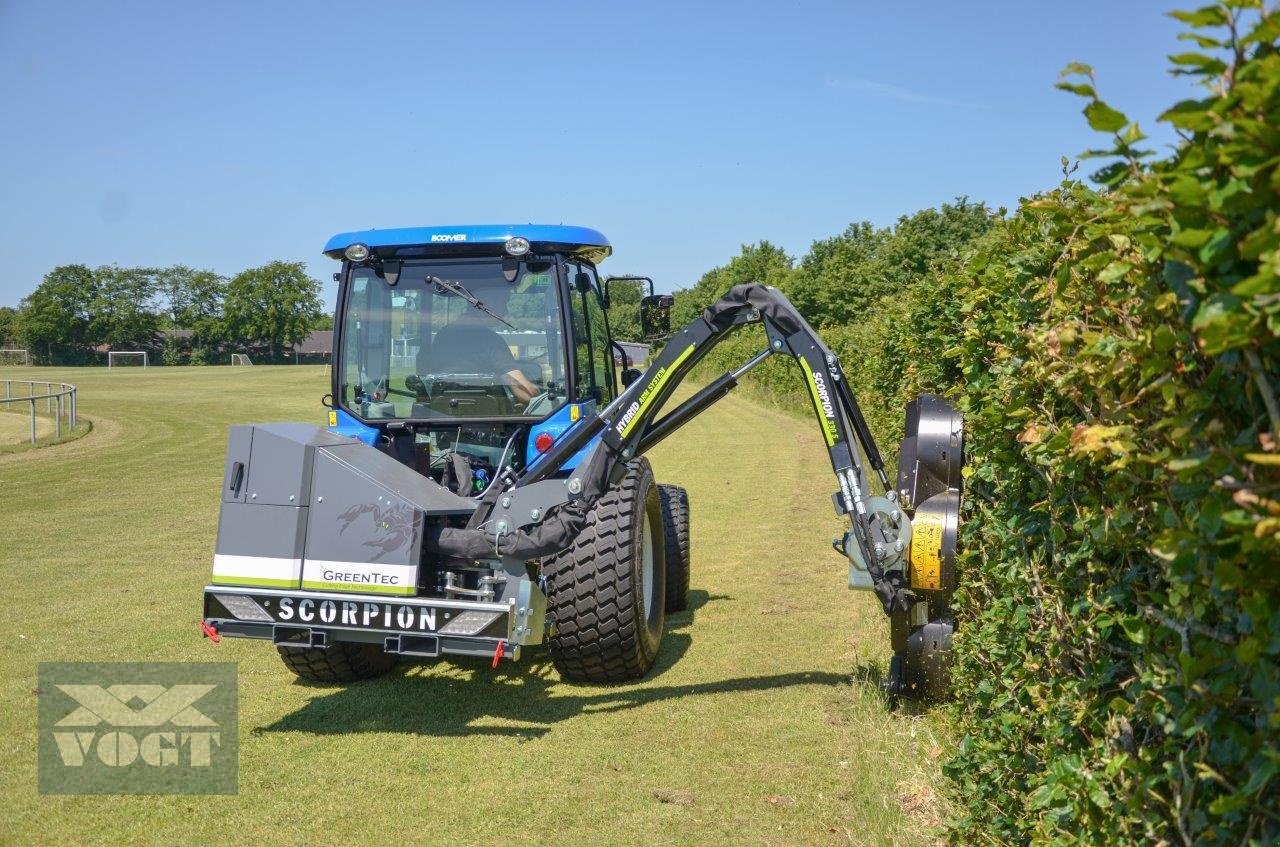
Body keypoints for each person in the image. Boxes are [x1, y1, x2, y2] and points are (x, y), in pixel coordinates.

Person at [425, 280, 539, 404]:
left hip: (443, 413)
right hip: (488, 416)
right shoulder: (490, 341)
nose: (506, 310)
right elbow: (524, 391)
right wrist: (543, 394)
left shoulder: (443, 335)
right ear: (488, 302)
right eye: (504, 303)